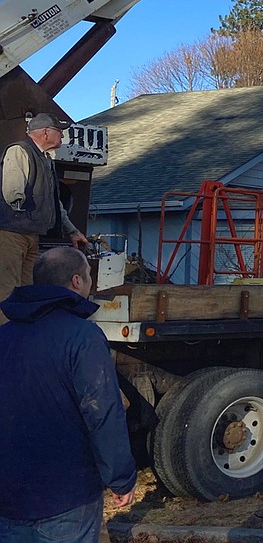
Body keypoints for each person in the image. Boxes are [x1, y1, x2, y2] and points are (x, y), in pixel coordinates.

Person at [0, 246, 136, 542]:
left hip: (8, 499)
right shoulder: (83, 337)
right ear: (77, 281)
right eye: (89, 275)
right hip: (67, 496)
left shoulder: (4, 336)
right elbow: (102, 413)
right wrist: (121, 478)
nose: (91, 282)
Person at [0, 113, 89, 321]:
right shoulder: (19, 151)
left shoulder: (46, 160)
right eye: (59, 132)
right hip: (11, 233)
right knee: (7, 289)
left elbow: (54, 203)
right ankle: (5, 340)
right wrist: (19, 204)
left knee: (27, 290)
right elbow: (12, 190)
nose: (62, 138)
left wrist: (72, 231)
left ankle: (21, 335)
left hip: (32, 234)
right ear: (46, 132)